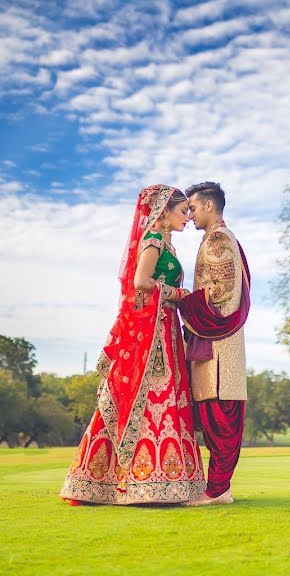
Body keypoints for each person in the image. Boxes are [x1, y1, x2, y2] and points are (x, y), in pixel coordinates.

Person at [60, 185, 205, 505]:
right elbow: (140, 281)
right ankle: (124, 482)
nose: (187, 218)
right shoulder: (153, 240)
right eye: (183, 212)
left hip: (166, 331)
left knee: (164, 402)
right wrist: (178, 295)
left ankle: (158, 481)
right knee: (149, 398)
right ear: (164, 212)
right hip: (152, 337)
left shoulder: (169, 245)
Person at [179, 181, 250, 506]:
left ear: (210, 206)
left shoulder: (219, 239)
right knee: (213, 415)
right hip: (217, 343)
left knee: (219, 416)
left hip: (218, 346)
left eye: (193, 207)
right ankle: (218, 488)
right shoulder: (218, 238)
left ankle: (217, 491)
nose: (189, 214)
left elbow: (222, 295)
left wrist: (177, 298)